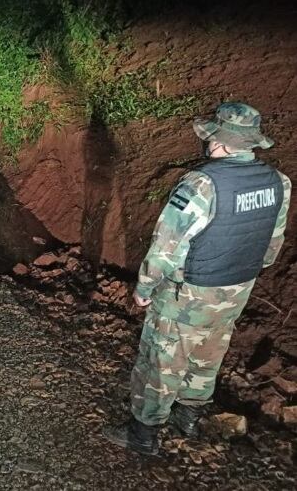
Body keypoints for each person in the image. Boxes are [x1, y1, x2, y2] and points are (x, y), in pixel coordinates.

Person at [103, 102, 292, 455]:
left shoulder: (202, 184)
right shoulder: (279, 183)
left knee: (161, 358)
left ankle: (143, 433)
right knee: (210, 350)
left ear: (218, 143)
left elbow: (166, 245)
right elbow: (272, 244)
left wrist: (145, 288)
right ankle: (188, 416)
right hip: (238, 287)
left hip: (188, 291)